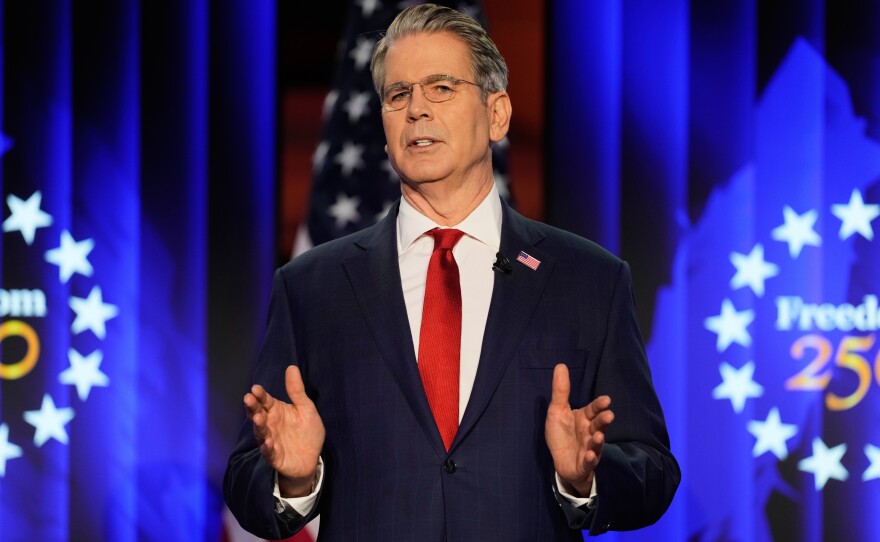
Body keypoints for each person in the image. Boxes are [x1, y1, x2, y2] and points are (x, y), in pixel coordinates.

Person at [224, 4, 679, 540]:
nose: (416, 108)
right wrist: (296, 479)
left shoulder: (589, 280)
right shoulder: (310, 287)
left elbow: (653, 469)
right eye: (398, 94)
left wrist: (584, 477)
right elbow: (245, 474)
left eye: (441, 87)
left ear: (498, 114)